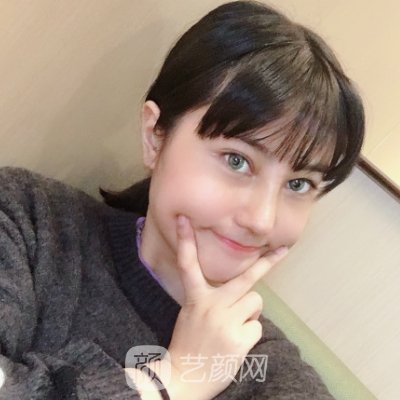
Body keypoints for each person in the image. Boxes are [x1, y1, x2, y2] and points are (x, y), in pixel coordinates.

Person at [0, 1, 364, 399]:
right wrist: (174, 381)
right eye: (237, 160)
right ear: (155, 137)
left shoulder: (271, 375)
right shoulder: (29, 224)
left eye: (298, 184)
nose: (261, 220)